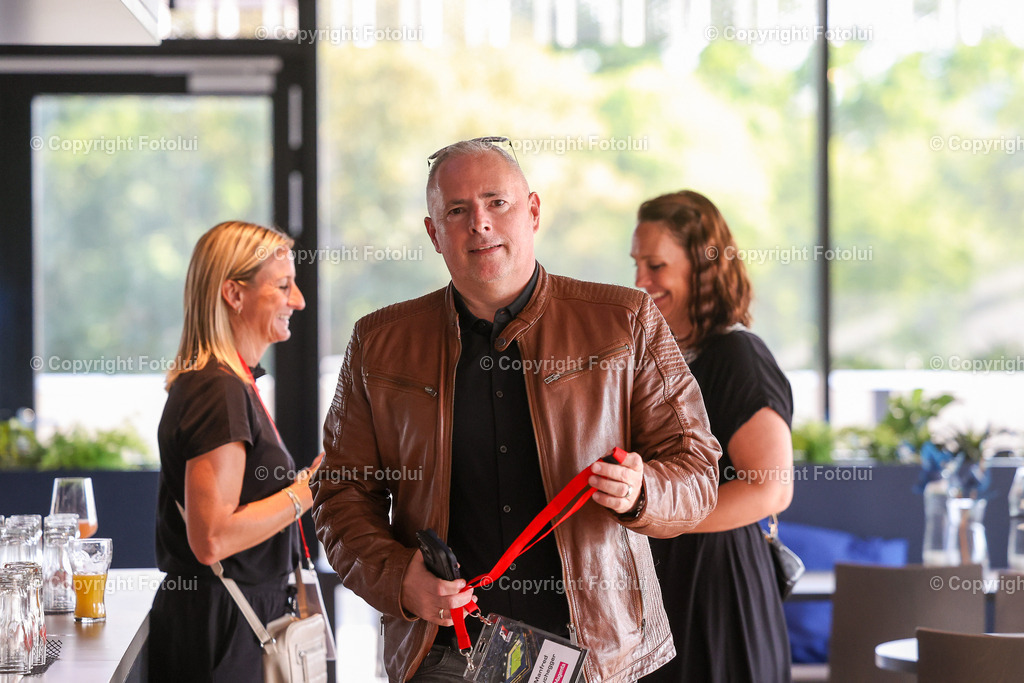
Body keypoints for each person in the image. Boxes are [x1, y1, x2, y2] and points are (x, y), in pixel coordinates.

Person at [312, 138, 722, 682]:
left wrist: (641, 491)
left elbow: (697, 470)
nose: (479, 223)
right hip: (445, 654)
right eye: (457, 211)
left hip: (596, 656)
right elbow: (340, 495)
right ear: (434, 234)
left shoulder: (626, 320)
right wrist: (398, 578)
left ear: (532, 211)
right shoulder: (378, 343)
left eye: (496, 202)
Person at [631, 191, 795, 683]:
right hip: (664, 590)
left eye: (656, 265)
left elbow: (771, 488)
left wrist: (659, 515)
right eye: (637, 263)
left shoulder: (737, 356)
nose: (640, 281)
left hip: (719, 589)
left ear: (701, 268)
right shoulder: (656, 357)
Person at [149, 221, 322, 683]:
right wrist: (308, 492)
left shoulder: (229, 383)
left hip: (226, 620)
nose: (298, 300)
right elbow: (212, 539)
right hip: (222, 631)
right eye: (283, 286)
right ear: (233, 294)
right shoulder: (218, 389)